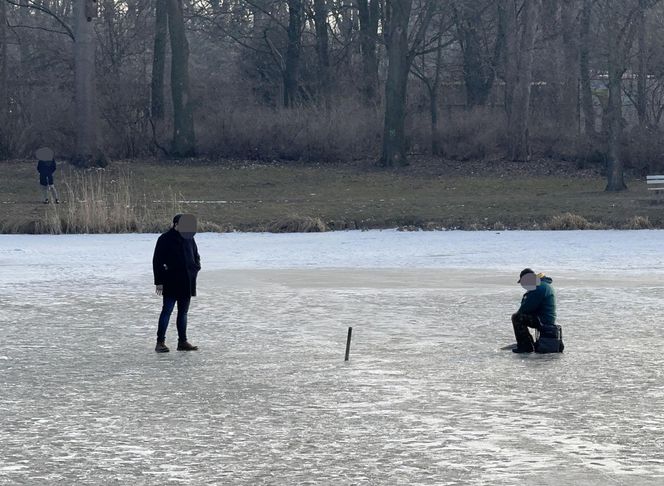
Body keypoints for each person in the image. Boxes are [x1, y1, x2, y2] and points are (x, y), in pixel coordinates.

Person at [152, 213, 201, 353]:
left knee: (183, 313)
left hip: (187, 281)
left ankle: (182, 342)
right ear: (175, 225)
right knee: (167, 311)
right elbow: (157, 262)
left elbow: (196, 256)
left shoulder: (189, 238)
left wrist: (195, 269)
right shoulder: (164, 239)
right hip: (170, 282)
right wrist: (159, 282)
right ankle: (160, 342)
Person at [511, 268, 557, 354]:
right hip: (547, 318)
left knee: (517, 317)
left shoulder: (538, 288)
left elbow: (525, 309)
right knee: (520, 316)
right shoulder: (543, 284)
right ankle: (528, 343)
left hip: (543, 320)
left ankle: (525, 346)